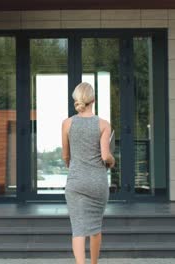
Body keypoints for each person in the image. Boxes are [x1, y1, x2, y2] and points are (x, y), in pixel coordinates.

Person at [61, 82, 115, 264]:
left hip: (76, 182)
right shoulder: (103, 124)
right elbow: (105, 155)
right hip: (97, 183)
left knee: (78, 229)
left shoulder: (67, 123)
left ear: (77, 100)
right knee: (95, 228)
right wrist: (112, 161)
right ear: (94, 100)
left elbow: (65, 155)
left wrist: (74, 167)